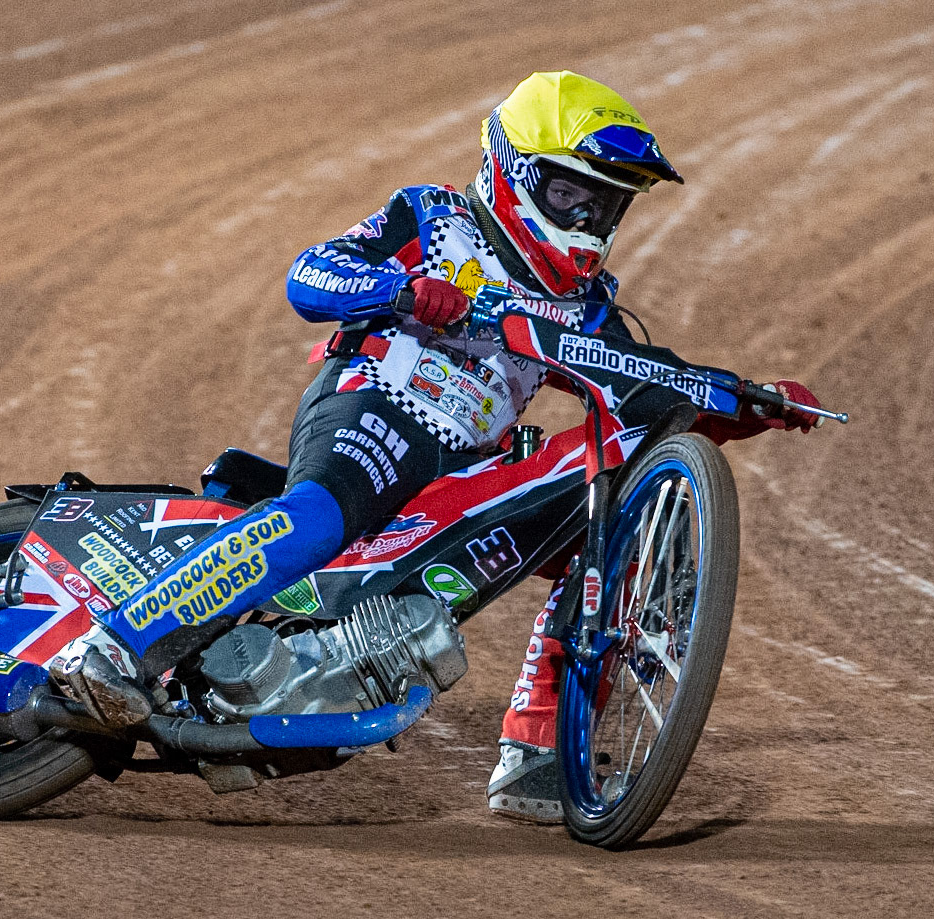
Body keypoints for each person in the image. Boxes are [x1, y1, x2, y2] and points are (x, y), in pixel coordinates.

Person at [58, 70, 825, 820]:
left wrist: (747, 401)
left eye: (605, 203)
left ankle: (535, 751)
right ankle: (113, 649)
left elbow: (643, 384)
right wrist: (398, 292)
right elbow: (310, 274)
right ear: (514, 171)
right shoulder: (435, 218)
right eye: (570, 194)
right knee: (319, 516)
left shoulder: (586, 303)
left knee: (607, 504)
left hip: (458, 470)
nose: (588, 217)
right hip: (373, 409)